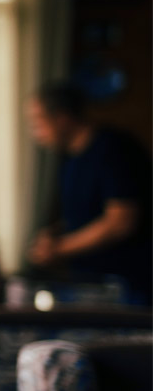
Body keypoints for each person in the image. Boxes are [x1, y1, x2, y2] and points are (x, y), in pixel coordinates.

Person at [26, 81, 153, 305]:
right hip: (87, 283)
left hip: (125, 286)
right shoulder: (71, 159)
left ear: (62, 118)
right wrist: (53, 235)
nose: (35, 133)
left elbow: (121, 221)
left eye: (38, 122)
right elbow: (83, 214)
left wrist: (60, 248)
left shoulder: (113, 148)